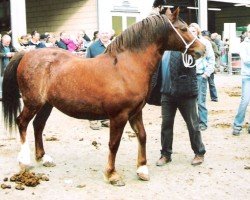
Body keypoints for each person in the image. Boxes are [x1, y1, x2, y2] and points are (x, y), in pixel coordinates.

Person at [148, 51, 206, 166]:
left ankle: (199, 152)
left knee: (192, 124)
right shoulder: (162, 50)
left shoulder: (185, 48)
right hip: (166, 94)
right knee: (166, 125)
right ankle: (165, 154)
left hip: (185, 93)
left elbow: (197, 55)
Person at [189, 23, 215, 131]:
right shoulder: (186, 43)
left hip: (200, 75)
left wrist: (206, 74)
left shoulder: (205, 43)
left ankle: (203, 122)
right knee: (190, 101)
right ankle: (193, 122)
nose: (191, 33)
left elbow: (211, 59)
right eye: (190, 31)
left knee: (200, 101)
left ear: (198, 32)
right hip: (189, 76)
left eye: (194, 31)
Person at [86, 28, 112, 130]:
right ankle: (93, 120)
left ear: (110, 35)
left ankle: (105, 119)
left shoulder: (115, 45)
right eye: (103, 33)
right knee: (94, 99)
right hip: (96, 77)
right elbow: (87, 62)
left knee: (108, 99)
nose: (105, 35)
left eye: (106, 33)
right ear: (99, 35)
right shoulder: (92, 47)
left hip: (111, 78)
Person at [232, 24, 250, 136]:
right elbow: (247, 60)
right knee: (245, 101)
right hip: (247, 76)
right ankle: (237, 125)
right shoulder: (243, 45)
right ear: (248, 32)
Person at [202, 30, 219, 102]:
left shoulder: (212, 44)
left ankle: (214, 97)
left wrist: (208, 55)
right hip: (202, 67)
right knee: (202, 84)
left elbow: (217, 54)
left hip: (209, 66)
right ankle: (202, 98)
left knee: (211, 83)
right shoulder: (199, 42)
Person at [0, 34, 17, 99]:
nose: (8, 43)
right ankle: (1, 95)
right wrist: (5, 55)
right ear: (2, 40)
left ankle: (12, 94)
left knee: (11, 80)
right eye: (7, 42)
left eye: (9, 41)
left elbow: (16, 51)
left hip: (9, 66)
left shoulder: (10, 45)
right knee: (1, 81)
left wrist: (13, 53)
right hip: (2, 67)